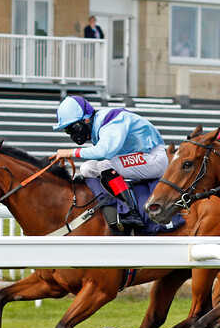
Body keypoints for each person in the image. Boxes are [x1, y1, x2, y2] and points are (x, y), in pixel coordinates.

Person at [50, 96, 167, 231]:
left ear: (86, 119)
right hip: (138, 157)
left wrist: (70, 152)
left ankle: (131, 212)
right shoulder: (98, 128)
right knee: (86, 168)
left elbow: (104, 152)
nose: (73, 134)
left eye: (74, 128)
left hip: (153, 157)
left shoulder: (111, 121)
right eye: (68, 130)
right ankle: (108, 206)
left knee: (105, 165)